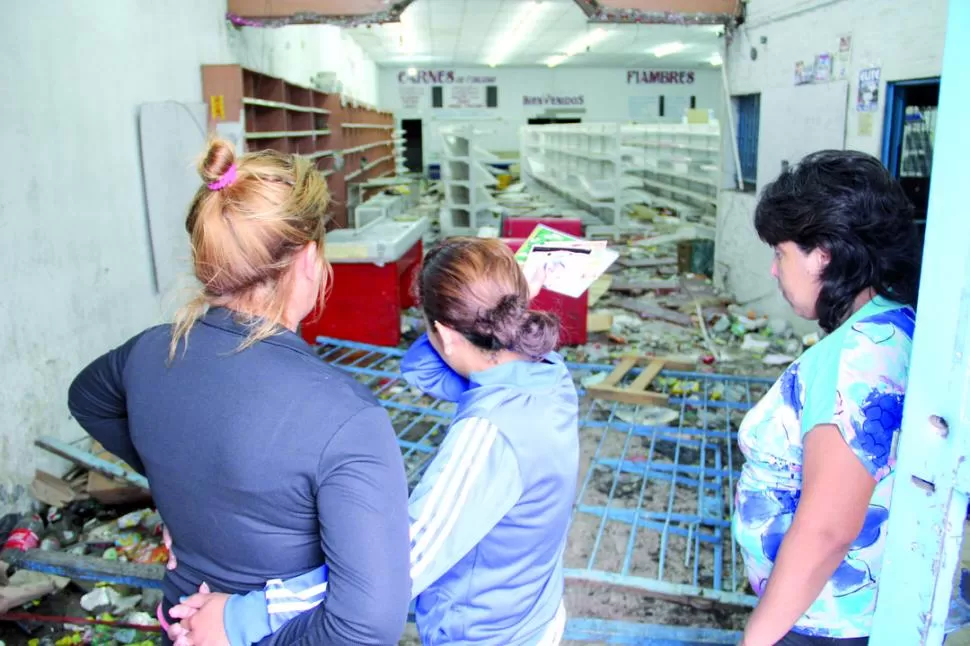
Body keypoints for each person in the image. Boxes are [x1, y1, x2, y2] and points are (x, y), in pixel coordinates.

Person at [67, 139, 412, 646]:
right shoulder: (346, 416)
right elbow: (365, 626)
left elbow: (86, 399)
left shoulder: (147, 354)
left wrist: (179, 476)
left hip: (182, 619)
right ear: (311, 259)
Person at [165, 237, 580, 646]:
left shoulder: (489, 437)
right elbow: (422, 369)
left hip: (488, 634)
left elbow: (393, 569)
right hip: (532, 608)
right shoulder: (547, 372)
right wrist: (504, 307)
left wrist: (244, 617)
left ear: (446, 333)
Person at [732, 150, 921, 645]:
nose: (775, 271)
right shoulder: (891, 324)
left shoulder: (853, 359)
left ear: (823, 253)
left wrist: (757, 638)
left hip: (826, 622)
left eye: (780, 252)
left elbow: (826, 530)